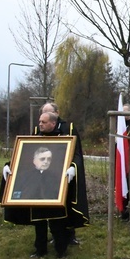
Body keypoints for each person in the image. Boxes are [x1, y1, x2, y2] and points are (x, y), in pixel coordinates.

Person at [1, 111, 90, 258]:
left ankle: (61, 250)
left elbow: (76, 156)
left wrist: (73, 167)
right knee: (39, 221)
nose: (40, 124)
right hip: (37, 189)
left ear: (53, 123)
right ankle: (40, 250)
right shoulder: (35, 138)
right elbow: (23, 155)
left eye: (43, 122)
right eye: (40, 121)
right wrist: (9, 165)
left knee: (58, 220)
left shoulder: (64, 140)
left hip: (56, 187)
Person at [38, 102, 85, 245]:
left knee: (67, 203)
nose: (42, 120)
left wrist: (73, 167)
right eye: (43, 113)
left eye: (49, 112)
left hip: (64, 173)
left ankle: (69, 235)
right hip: (46, 174)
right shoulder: (39, 130)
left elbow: (76, 151)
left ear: (56, 114)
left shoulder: (68, 128)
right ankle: (54, 235)